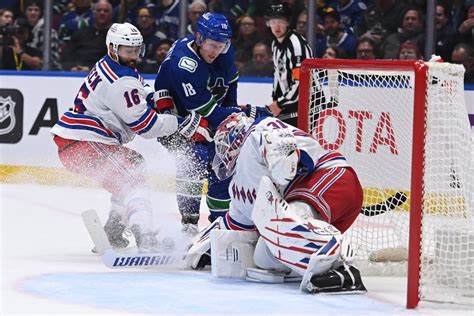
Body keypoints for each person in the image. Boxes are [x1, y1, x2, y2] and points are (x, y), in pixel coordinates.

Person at [50, 22, 210, 252]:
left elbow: (139, 89)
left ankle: (115, 229)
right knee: (133, 181)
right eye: (128, 50)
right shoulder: (121, 80)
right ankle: (145, 237)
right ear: (113, 48)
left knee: (134, 165)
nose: (134, 55)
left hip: (79, 142)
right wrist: (181, 123)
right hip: (86, 141)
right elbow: (145, 125)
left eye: (137, 50)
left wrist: (157, 97)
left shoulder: (111, 65)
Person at [189, 113, 366, 293]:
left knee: (281, 227)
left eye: (224, 145)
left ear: (235, 136)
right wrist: (205, 247)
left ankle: (343, 265)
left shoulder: (257, 133)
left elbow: (299, 148)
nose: (224, 153)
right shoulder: (240, 185)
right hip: (322, 211)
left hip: (332, 179)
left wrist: (279, 153)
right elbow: (234, 224)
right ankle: (319, 264)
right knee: (264, 257)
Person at [153, 12, 270, 234]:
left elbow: (230, 85)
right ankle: (188, 225)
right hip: (177, 117)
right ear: (198, 38)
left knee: (224, 165)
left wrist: (234, 111)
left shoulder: (223, 51)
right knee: (194, 159)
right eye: (212, 45)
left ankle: (220, 225)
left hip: (208, 115)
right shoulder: (183, 65)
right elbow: (212, 113)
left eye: (221, 45)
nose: (216, 51)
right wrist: (242, 115)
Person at [266, 2, 313, 127]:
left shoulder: (296, 45)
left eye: (281, 21)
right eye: (273, 21)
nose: (277, 26)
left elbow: (301, 81)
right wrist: (276, 99)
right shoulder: (275, 44)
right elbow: (278, 73)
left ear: (288, 22)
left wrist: (279, 104)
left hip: (306, 106)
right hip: (288, 105)